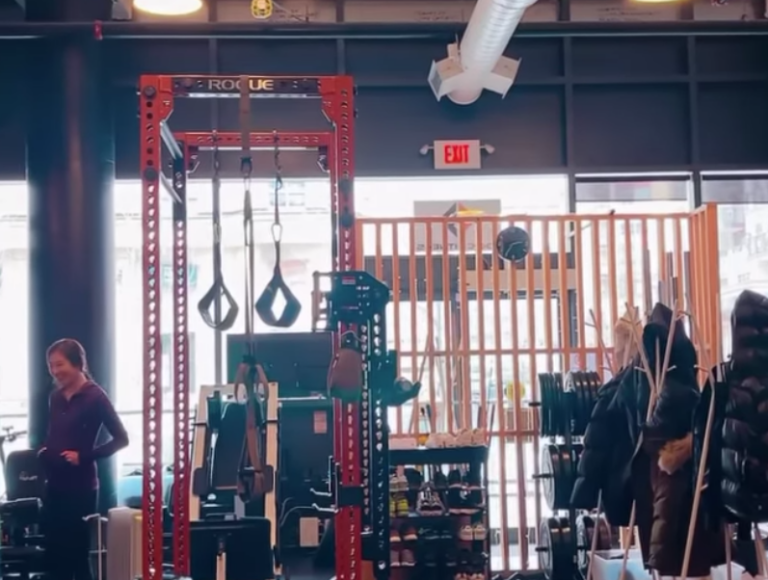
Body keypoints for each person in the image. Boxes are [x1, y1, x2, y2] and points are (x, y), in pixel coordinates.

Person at [38, 338, 129, 580]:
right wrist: (45, 450)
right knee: (55, 557)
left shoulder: (95, 397)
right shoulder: (55, 397)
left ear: (77, 363)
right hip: (54, 485)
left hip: (80, 489)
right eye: (51, 366)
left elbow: (122, 439)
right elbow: (54, 433)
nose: (55, 371)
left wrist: (85, 456)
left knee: (77, 556)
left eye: (59, 364)